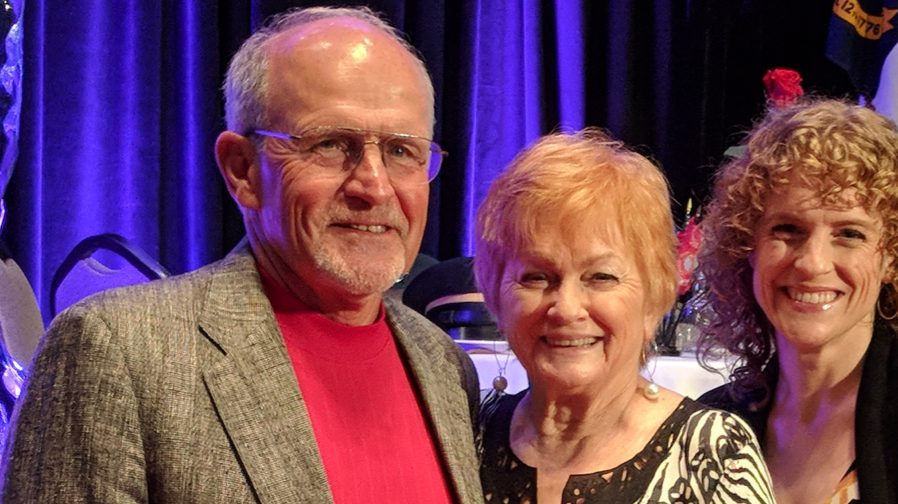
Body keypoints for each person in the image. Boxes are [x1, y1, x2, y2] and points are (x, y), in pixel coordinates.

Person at [0, 7, 483, 503]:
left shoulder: (444, 367)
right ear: (242, 170)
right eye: (332, 144)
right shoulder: (117, 352)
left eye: (402, 151)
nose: (374, 186)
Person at [473, 129, 774, 503]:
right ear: (494, 294)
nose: (567, 308)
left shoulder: (713, 456)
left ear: (656, 295)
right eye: (537, 276)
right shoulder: (468, 435)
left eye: (601, 277)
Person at [697, 98, 898, 504]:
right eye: (788, 229)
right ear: (747, 244)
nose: (812, 263)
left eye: (850, 234)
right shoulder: (710, 424)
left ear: (891, 255)